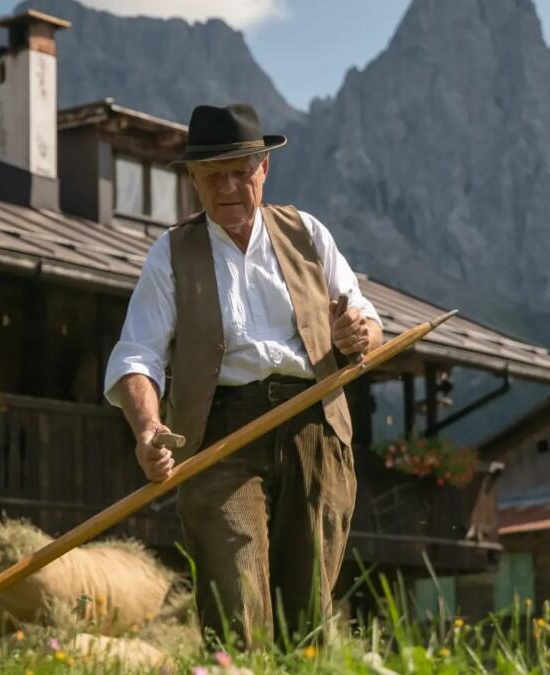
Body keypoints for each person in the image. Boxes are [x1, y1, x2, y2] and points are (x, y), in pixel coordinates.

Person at [103, 103, 383, 647]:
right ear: (193, 179)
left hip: (314, 424)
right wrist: (146, 427)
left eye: (241, 171)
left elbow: (366, 321)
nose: (229, 186)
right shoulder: (172, 254)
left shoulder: (306, 233)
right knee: (234, 603)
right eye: (214, 175)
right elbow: (137, 353)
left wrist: (356, 334)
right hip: (219, 436)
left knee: (307, 615)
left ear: (263, 169)